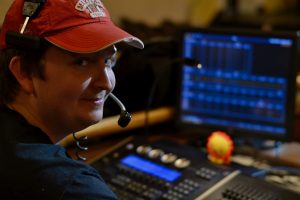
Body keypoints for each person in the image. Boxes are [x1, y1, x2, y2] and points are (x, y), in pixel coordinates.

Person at [0, 0, 143, 199]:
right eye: (82, 62)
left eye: (108, 61)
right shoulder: (70, 187)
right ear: (24, 72)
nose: (106, 84)